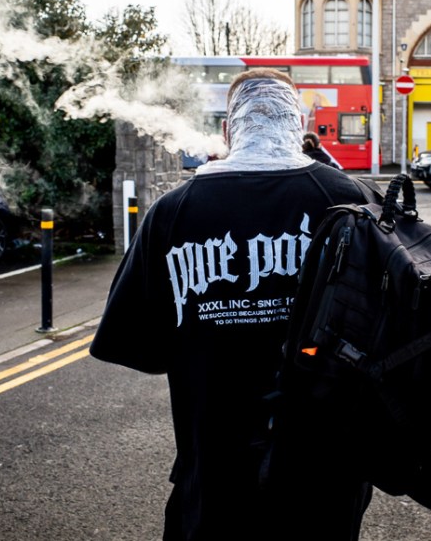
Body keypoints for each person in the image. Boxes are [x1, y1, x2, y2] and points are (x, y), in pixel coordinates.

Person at [90, 68, 373, 540]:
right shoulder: (354, 200)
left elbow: (136, 347)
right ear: (299, 125)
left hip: (215, 468)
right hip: (328, 469)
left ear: (228, 130)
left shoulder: (173, 210)